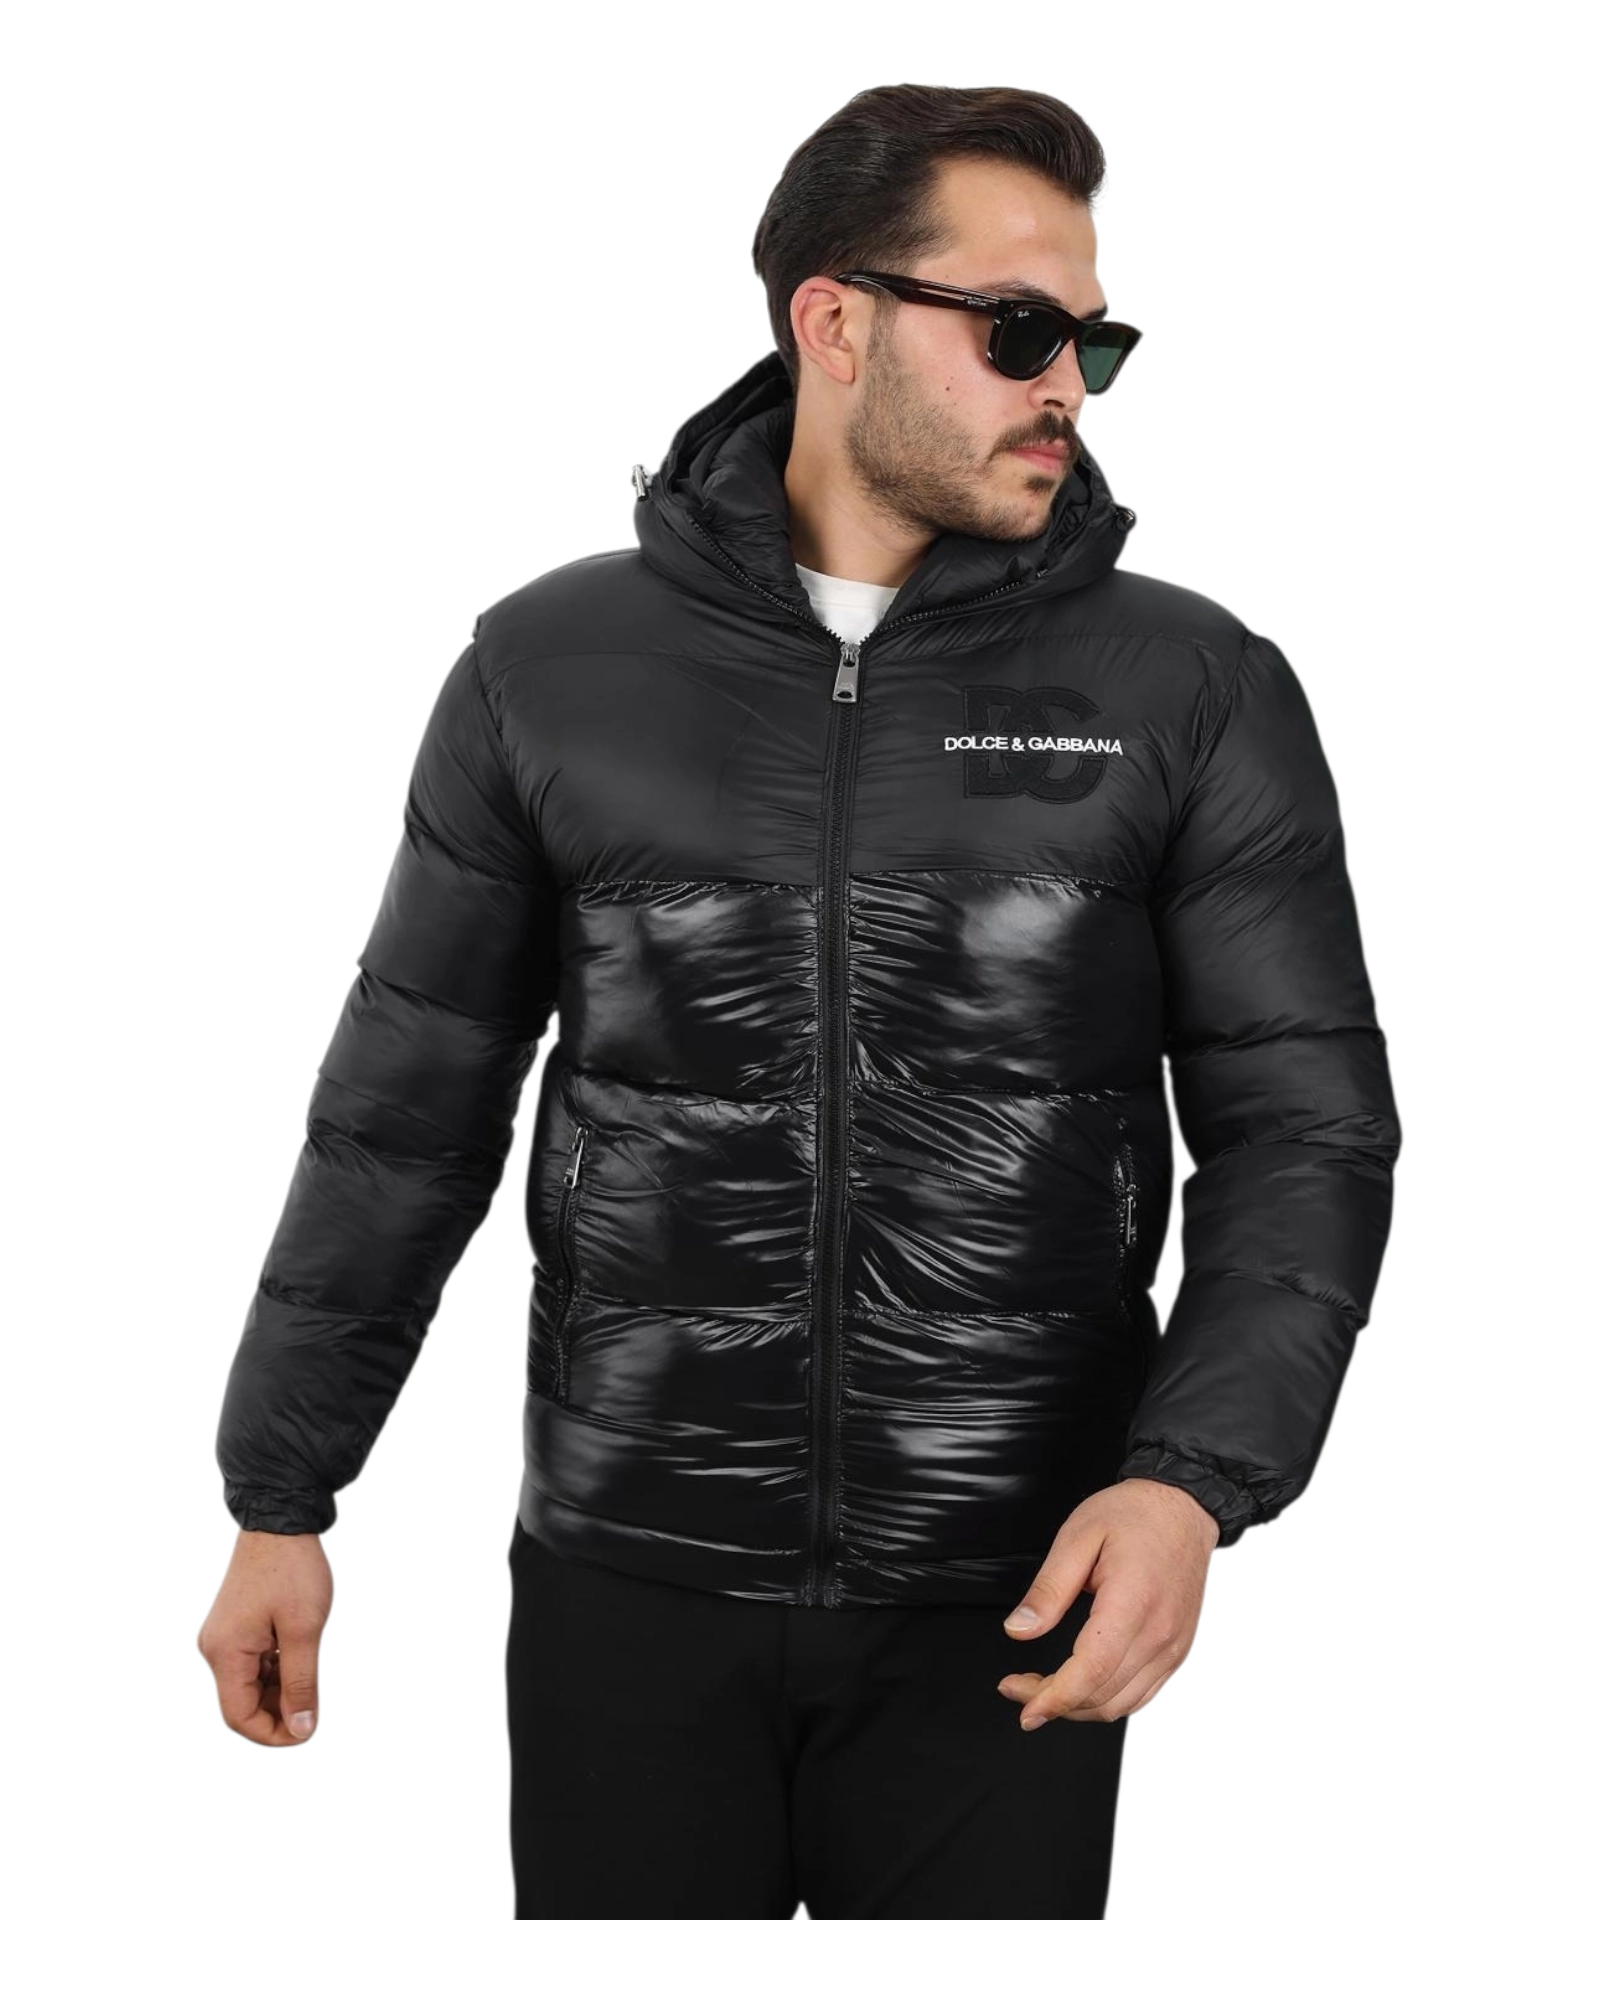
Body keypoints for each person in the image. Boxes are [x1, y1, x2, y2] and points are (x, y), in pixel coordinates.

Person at [197, 82, 1401, 1919]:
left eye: (1094, 340)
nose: (1070, 386)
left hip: (1017, 1584)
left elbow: (1301, 1132)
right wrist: (280, 1494)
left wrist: (1190, 1483)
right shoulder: (549, 668)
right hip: (627, 1574)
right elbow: (403, 1109)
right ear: (833, 323)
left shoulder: (1188, 685)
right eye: (1020, 331)